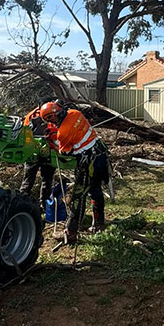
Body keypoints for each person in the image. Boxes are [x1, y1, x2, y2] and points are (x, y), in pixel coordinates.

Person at [39, 100, 109, 242]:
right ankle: (99, 225)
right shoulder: (75, 113)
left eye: (51, 120)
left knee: (78, 196)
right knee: (96, 190)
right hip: (100, 154)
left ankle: (70, 232)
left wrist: (53, 143)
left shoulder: (63, 133)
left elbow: (66, 152)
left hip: (88, 162)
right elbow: (77, 133)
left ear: (52, 117)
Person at [20, 103, 56, 203]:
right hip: (37, 151)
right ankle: (33, 202)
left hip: (42, 150)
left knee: (39, 179)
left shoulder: (31, 115)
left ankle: (41, 203)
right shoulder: (34, 116)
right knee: (43, 180)